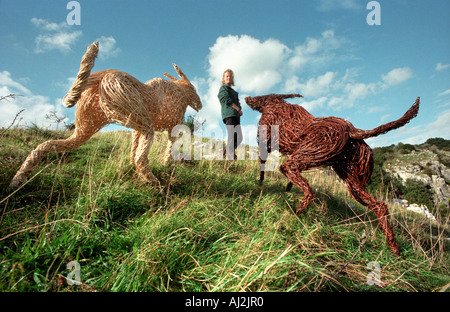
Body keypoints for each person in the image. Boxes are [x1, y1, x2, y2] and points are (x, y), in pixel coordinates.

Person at [218, 69, 243, 160]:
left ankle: (225, 152)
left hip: (236, 116)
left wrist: (239, 109)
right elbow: (226, 99)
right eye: (227, 76)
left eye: (230, 76)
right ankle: (230, 157)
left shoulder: (234, 92)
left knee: (239, 137)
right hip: (229, 115)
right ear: (224, 79)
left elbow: (238, 102)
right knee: (232, 135)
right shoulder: (223, 88)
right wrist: (237, 108)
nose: (229, 78)